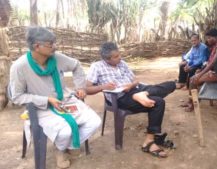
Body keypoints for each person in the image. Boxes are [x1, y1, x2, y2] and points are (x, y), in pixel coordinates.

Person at [9, 27, 101, 169]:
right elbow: (17, 97)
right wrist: (46, 100)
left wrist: (80, 87)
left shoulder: (56, 58)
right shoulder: (19, 67)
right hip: (41, 107)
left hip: (64, 100)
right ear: (37, 46)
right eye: (50, 44)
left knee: (94, 121)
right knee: (65, 131)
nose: (55, 47)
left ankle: (63, 148)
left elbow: (76, 66)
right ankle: (63, 148)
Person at [86, 42, 176, 158]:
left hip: (136, 89)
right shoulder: (97, 67)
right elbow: (87, 89)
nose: (120, 58)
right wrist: (103, 87)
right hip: (120, 97)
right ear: (107, 59)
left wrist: (131, 85)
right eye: (116, 57)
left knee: (171, 84)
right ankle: (149, 141)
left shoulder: (122, 63)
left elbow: (136, 80)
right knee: (159, 102)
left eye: (119, 55)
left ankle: (143, 94)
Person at [183, 28, 217, 111]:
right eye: (207, 38)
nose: (207, 40)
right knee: (192, 78)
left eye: (209, 38)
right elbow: (209, 63)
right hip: (214, 73)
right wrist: (201, 71)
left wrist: (200, 74)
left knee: (194, 80)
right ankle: (191, 101)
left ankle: (193, 104)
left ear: (215, 37)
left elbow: (212, 63)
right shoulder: (216, 47)